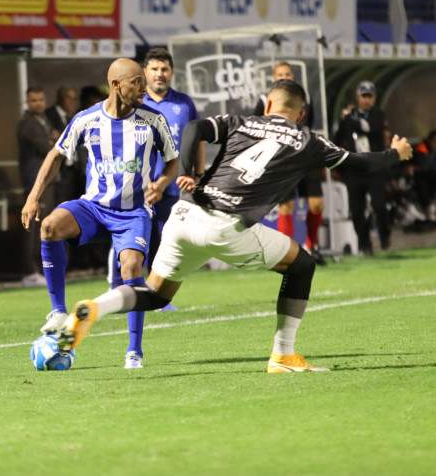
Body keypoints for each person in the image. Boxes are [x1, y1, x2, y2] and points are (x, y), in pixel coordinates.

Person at [55, 79, 412, 373]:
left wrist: (192, 174)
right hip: (225, 224)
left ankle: (94, 308)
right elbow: (361, 164)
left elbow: (194, 127)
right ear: (301, 114)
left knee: (156, 294)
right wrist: (397, 153)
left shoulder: (241, 121)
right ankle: (283, 355)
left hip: (184, 215)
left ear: (267, 105)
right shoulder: (309, 140)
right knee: (302, 265)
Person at [21, 58, 181, 350]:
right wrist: (33, 197)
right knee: (49, 227)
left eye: (144, 81)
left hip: (133, 212)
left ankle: (134, 351)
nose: (144, 87)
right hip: (94, 208)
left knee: (131, 268)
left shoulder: (153, 120)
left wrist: (161, 183)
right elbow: (55, 155)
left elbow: (173, 161)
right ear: (116, 85)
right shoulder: (87, 119)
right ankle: (58, 311)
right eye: (137, 82)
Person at [109, 47, 202, 368]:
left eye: (165, 69)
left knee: (168, 239)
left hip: (175, 184)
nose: (159, 74)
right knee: (135, 239)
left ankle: (155, 293)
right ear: (144, 74)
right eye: (154, 69)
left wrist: (196, 173)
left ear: (171, 73)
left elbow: (196, 139)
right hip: (141, 187)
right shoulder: (135, 101)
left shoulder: (183, 103)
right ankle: (119, 286)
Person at [254, 62, 325, 265]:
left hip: (305, 157)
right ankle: (288, 254)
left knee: (317, 204)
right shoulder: (264, 100)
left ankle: (313, 247)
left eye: (288, 74)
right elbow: (254, 125)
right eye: (280, 74)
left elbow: (308, 126)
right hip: (282, 160)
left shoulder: (304, 99)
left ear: (293, 76)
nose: (284, 77)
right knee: (286, 207)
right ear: (273, 78)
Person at [333, 80, 391, 255]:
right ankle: (365, 244)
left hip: (374, 167)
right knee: (356, 211)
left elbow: (369, 128)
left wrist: (350, 118)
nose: (366, 100)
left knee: (379, 205)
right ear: (358, 96)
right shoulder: (348, 117)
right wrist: (345, 120)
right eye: (363, 96)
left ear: (374, 98)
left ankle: (385, 235)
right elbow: (337, 138)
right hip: (356, 169)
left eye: (369, 96)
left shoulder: (377, 114)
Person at [18, 87, 60, 287]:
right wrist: (53, 139)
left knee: (44, 223)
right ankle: (29, 271)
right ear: (27, 102)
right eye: (34, 100)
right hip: (35, 180)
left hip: (46, 181)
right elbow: (48, 147)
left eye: (41, 99)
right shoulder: (26, 124)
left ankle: (40, 268)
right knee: (33, 225)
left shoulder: (43, 120)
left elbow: (52, 141)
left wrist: (53, 138)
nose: (38, 103)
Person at [45, 86, 81, 206]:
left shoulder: (72, 117)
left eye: (74, 99)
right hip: (58, 167)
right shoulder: (48, 115)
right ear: (59, 98)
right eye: (68, 98)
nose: (72, 102)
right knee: (59, 203)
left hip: (73, 169)